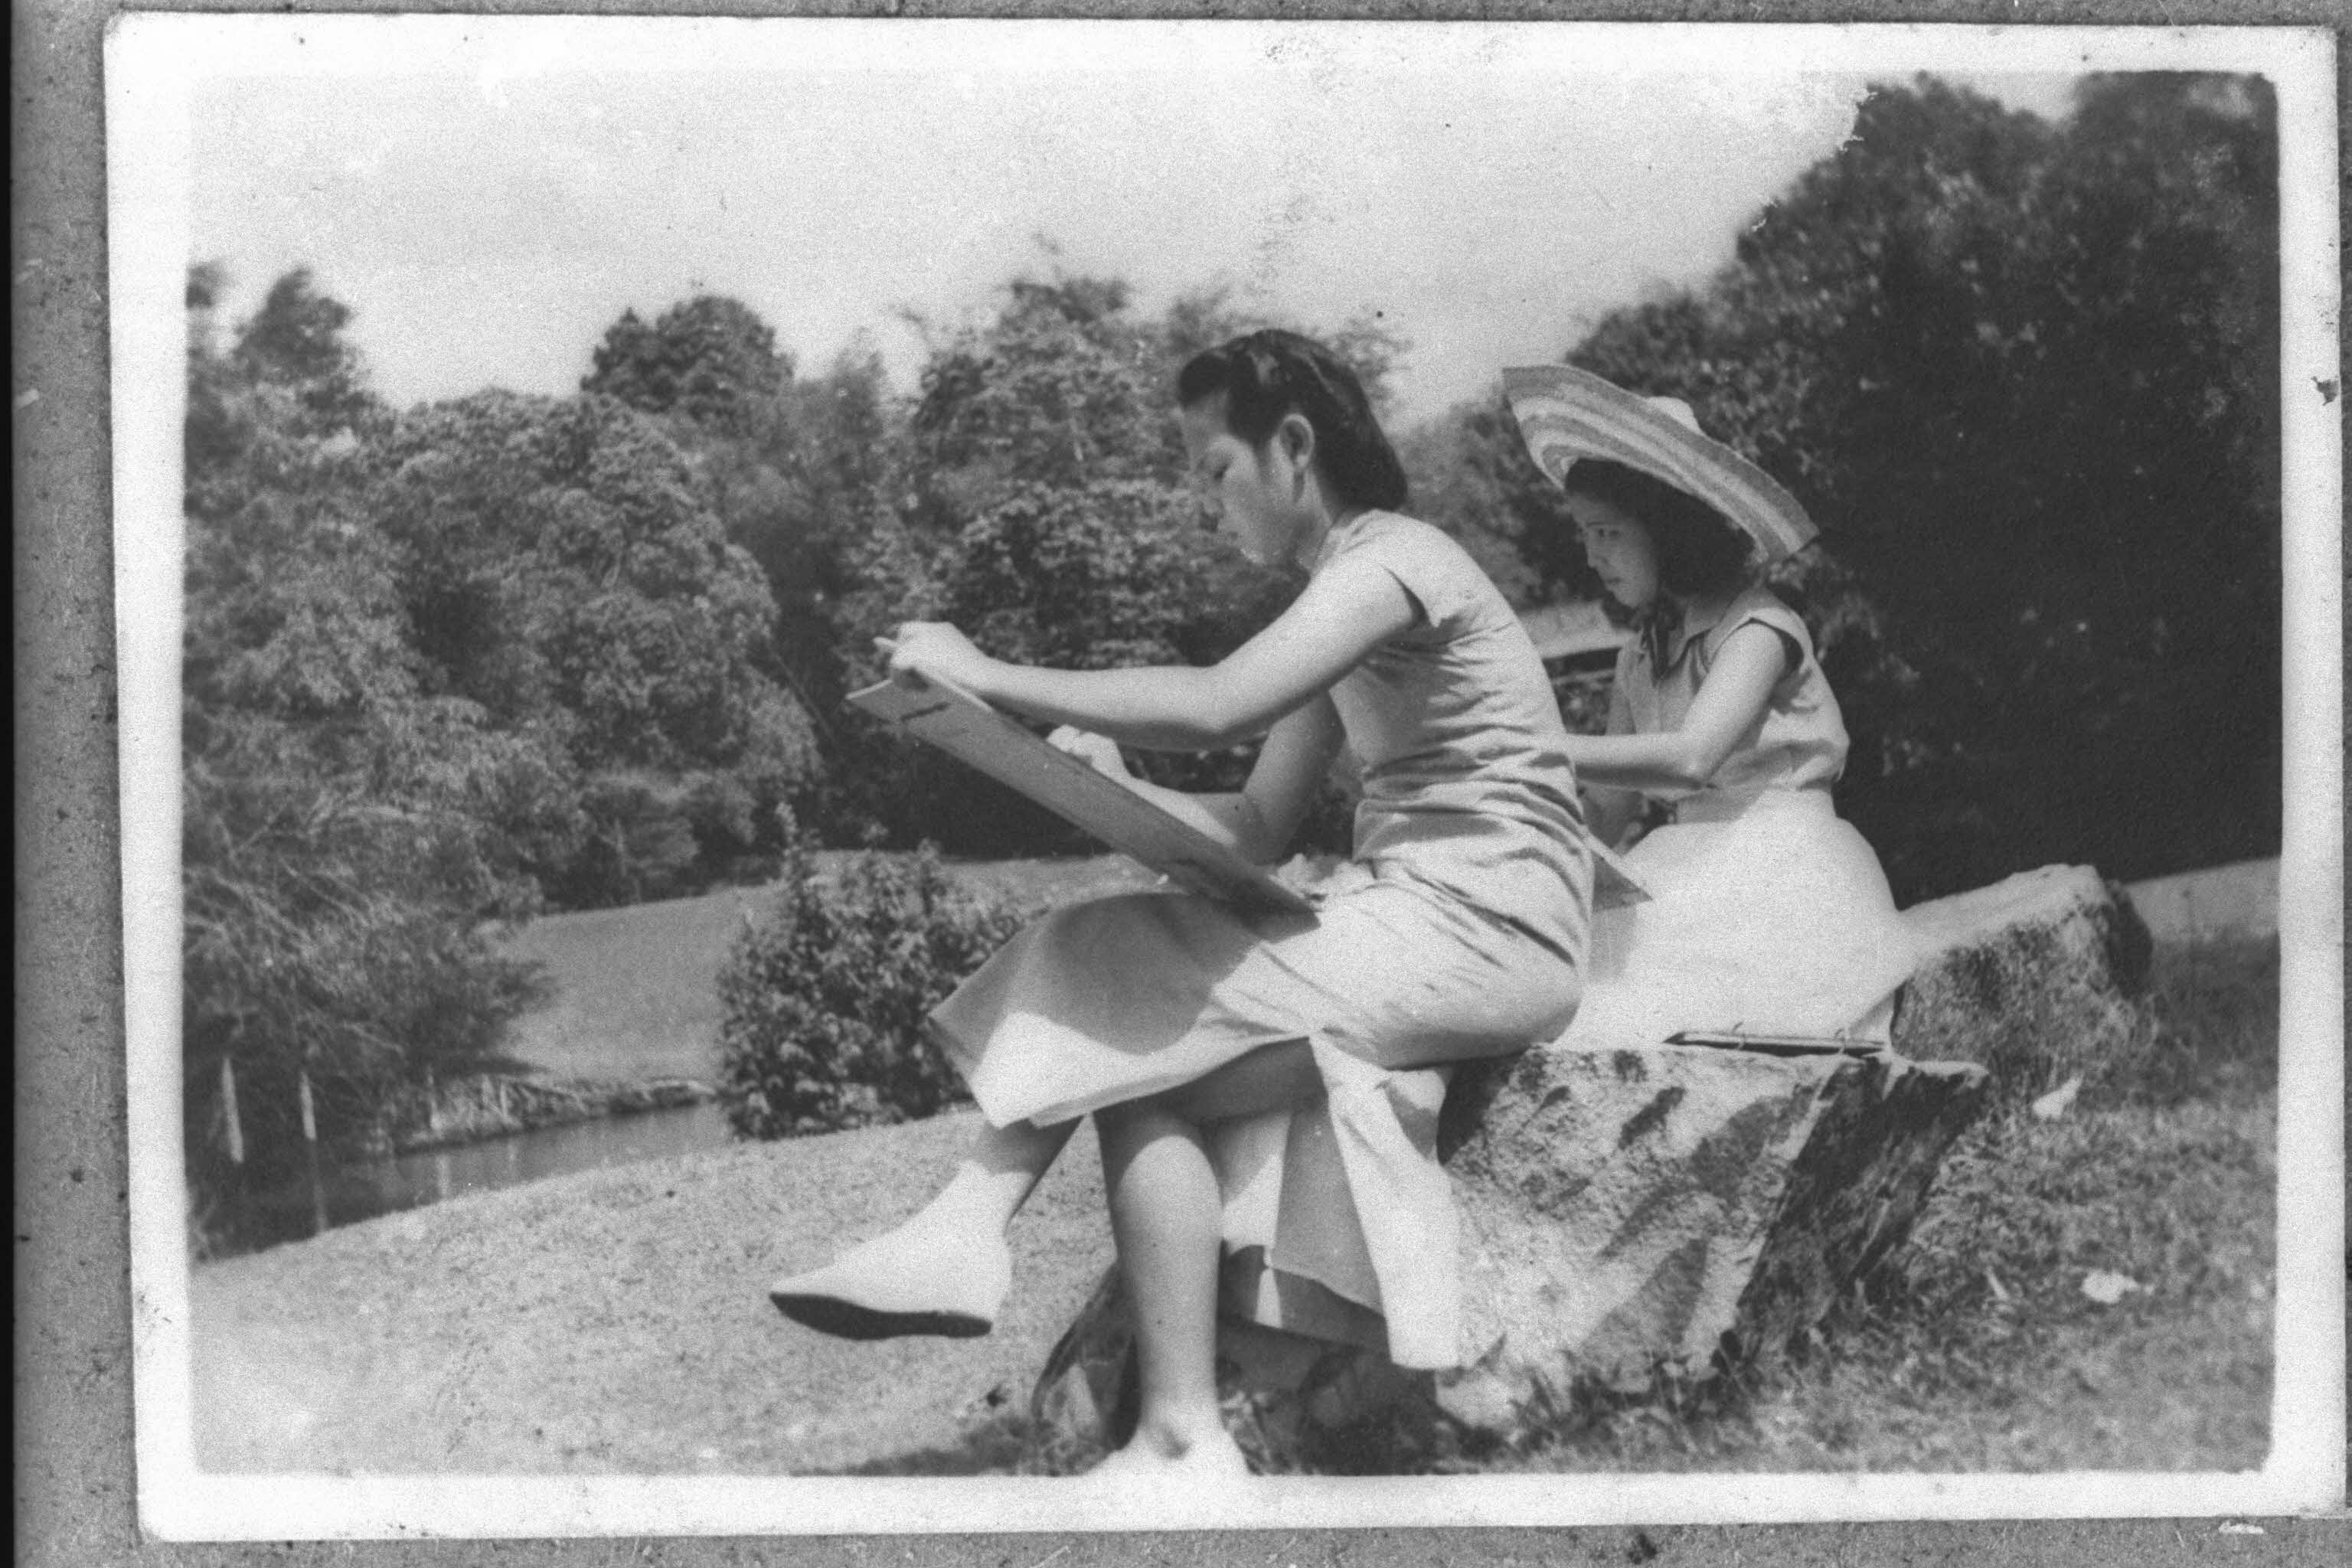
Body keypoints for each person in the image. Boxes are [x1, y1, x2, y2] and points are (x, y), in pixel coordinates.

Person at [768, 330, 1595, 1475]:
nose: (1208, 506)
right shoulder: (1347, 590)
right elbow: (1257, 820)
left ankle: (963, 1232)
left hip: (1489, 924)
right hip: (1430, 917)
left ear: (1293, 446)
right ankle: (1176, 1433)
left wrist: (988, 672)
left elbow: (1215, 703)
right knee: (1139, 1083)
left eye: (1214, 471)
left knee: (1103, 961)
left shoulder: (1396, 563)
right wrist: (1119, 792)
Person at [1501, 363, 1915, 1057]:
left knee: (1664, 1005)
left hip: (1784, 858)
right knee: (1564, 990)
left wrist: (1535, 743)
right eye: (1584, 535)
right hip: (1686, 859)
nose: (1592, 556)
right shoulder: (1642, 650)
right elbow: (1607, 808)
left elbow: (1693, 758)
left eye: (1608, 533)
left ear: (1670, 531)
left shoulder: (1758, 628)